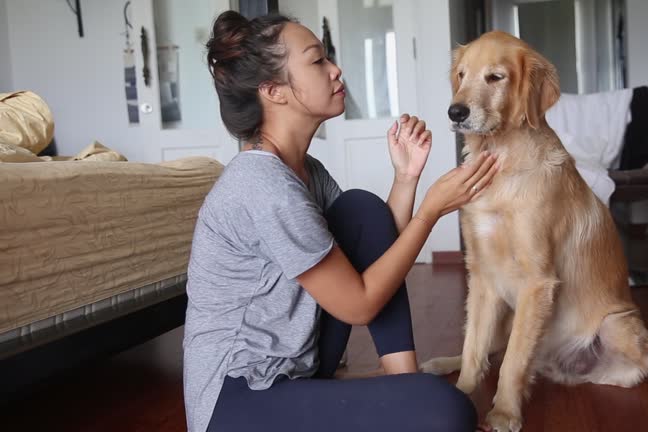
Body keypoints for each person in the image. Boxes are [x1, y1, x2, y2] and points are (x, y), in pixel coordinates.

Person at [183, 10, 498, 432]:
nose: (336, 69)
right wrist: (432, 210)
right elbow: (360, 304)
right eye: (317, 61)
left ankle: (400, 379)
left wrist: (406, 178)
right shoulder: (260, 183)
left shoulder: (304, 170)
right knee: (447, 410)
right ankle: (404, 390)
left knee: (362, 211)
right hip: (235, 400)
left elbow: (380, 250)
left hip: (296, 369)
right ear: (274, 91)